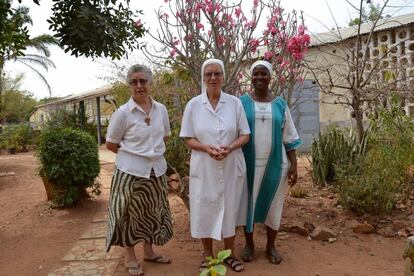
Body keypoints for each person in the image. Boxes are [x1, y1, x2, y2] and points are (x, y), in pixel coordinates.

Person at [180, 58, 250, 273]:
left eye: (217, 74)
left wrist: (229, 147)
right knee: (205, 208)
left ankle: (229, 255)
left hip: (230, 165)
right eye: (209, 74)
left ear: (223, 77)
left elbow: (245, 135)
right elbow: (188, 137)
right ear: (203, 77)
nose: (213, 78)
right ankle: (208, 256)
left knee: (230, 208)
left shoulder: (235, 103)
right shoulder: (193, 105)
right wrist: (206, 148)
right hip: (204, 166)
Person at [105, 64, 173, 276]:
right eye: (134, 81)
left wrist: (149, 153)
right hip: (130, 173)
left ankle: (149, 252)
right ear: (129, 86)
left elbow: (165, 136)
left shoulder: (160, 109)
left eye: (143, 81)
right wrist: (133, 156)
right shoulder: (123, 113)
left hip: (156, 171)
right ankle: (130, 257)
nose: (139, 85)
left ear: (150, 83)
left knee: (152, 213)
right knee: (128, 216)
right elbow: (111, 144)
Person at [239, 60, 302, 265]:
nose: (259, 77)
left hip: (276, 166)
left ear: (270, 77)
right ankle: (249, 245)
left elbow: (289, 136)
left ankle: (271, 246)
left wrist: (294, 164)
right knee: (247, 205)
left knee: (274, 205)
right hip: (247, 166)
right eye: (255, 74)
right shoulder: (242, 103)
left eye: (263, 74)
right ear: (251, 77)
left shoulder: (280, 104)